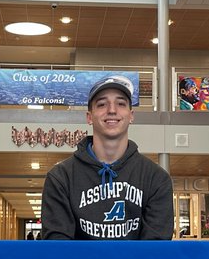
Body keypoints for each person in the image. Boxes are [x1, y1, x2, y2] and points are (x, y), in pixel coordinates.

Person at [41, 75, 173, 240]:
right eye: (102, 104)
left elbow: (155, 251)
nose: (112, 110)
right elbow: (58, 248)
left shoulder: (156, 178)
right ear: (89, 117)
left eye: (121, 103)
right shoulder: (61, 178)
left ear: (131, 115)